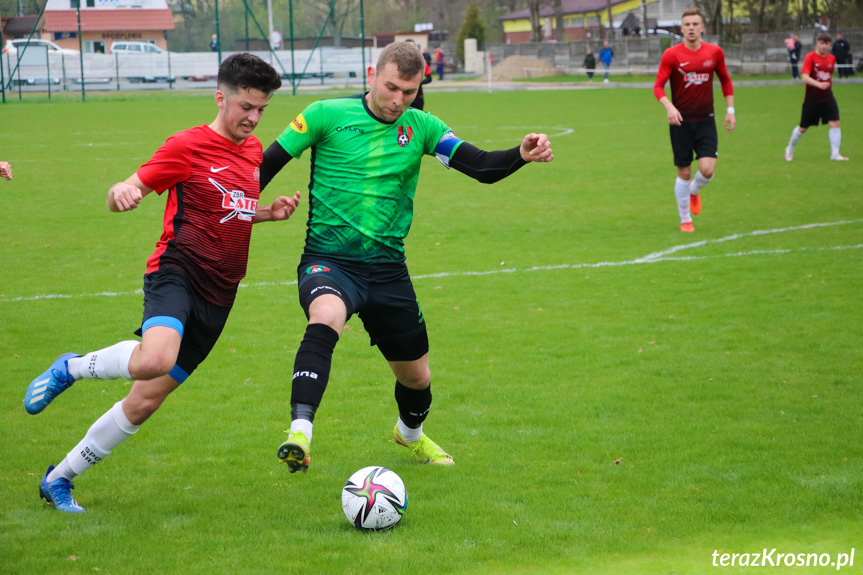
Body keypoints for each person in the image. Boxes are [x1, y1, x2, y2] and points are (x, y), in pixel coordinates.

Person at [257, 42, 554, 474]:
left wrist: (520, 155)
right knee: (325, 316)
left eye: (409, 92)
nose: (398, 100)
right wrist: (232, 213)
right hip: (329, 261)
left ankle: (409, 435)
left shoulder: (424, 127)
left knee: (417, 378)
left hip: (387, 271)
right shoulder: (324, 115)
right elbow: (261, 170)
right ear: (372, 74)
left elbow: (482, 166)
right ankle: (300, 432)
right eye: (391, 87)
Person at [24, 53, 301, 513]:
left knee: (145, 403)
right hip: (178, 271)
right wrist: (123, 193)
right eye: (245, 107)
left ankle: (58, 479)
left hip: (221, 293)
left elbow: (230, 209)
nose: (253, 118)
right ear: (221, 98)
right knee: (155, 358)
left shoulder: (253, 153)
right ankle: (68, 368)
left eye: (261, 109)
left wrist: (269, 212)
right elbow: (120, 193)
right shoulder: (187, 146)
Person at [653, 7, 734, 233]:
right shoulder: (671, 54)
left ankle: (694, 191)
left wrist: (731, 110)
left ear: (702, 27)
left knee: (707, 170)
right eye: (687, 24)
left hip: (706, 120)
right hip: (681, 122)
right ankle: (685, 219)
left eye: (695, 24)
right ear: (681, 28)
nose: (691, 28)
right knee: (684, 172)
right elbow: (658, 86)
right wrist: (669, 107)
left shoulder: (714, 53)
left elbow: (726, 80)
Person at [784, 32, 849, 162]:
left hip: (828, 97)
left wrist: (825, 85)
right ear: (817, 44)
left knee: (835, 122)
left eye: (826, 44)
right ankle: (790, 147)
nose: (824, 46)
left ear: (830, 45)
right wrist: (818, 84)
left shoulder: (831, 58)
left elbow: (828, 77)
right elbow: (804, 77)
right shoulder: (810, 57)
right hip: (811, 99)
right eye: (821, 43)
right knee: (803, 128)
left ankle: (835, 154)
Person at [405, 38, 432, 110]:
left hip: (417, 96)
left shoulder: (421, 61)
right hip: (403, 96)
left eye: (413, 46)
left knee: (418, 118)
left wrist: (419, 83)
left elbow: (429, 78)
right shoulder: (398, 62)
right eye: (408, 46)